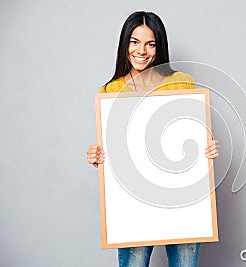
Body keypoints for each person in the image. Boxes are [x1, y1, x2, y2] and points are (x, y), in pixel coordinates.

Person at [86, 11, 219, 267]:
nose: (141, 51)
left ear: (160, 47)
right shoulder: (110, 91)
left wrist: (209, 147)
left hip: (182, 202)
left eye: (151, 43)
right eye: (134, 41)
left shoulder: (182, 84)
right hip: (134, 204)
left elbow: (192, 139)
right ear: (124, 44)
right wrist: (98, 156)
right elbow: (115, 152)